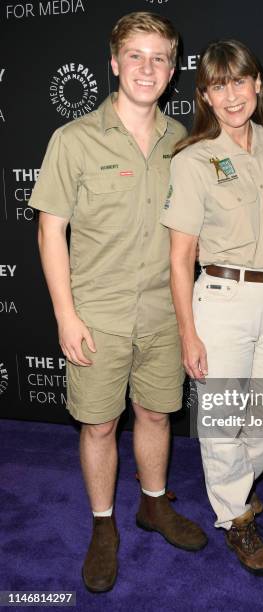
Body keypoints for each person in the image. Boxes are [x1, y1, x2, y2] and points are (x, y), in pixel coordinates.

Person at [30, 11, 207, 593]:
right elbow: (50, 231)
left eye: (159, 57)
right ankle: (103, 525)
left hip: (163, 311)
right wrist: (65, 315)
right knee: (101, 426)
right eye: (136, 55)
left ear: (173, 67)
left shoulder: (186, 141)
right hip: (97, 315)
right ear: (113, 62)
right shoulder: (73, 139)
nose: (147, 67)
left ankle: (153, 505)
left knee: (156, 413)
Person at [161, 39, 263, 576]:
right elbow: (180, 260)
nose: (232, 94)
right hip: (221, 299)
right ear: (206, 96)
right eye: (219, 86)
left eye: (239, 81)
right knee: (221, 422)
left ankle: (232, 488)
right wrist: (187, 334)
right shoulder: (194, 160)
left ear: (258, 84)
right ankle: (237, 518)